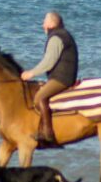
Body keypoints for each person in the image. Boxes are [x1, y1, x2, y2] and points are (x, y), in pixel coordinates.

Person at [20, 10, 79, 145]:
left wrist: (31, 73)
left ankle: (48, 134)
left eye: (44, 22)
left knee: (39, 97)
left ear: (52, 23)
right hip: (61, 75)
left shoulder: (56, 38)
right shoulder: (62, 34)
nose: (42, 25)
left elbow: (48, 62)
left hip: (62, 78)